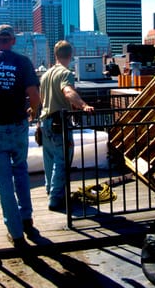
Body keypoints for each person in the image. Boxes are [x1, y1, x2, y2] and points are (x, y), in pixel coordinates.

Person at [0, 24, 41, 249]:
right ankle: (27, 220)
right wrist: (32, 112)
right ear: (12, 41)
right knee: (21, 171)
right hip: (18, 124)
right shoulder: (22, 62)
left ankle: (16, 234)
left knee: (4, 181)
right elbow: (34, 95)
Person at [39, 40, 94, 211]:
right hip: (58, 123)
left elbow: (41, 100)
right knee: (61, 161)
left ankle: (51, 191)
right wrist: (84, 105)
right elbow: (68, 91)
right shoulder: (65, 73)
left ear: (55, 55)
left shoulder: (46, 75)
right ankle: (56, 199)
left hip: (44, 122)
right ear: (70, 55)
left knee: (49, 159)